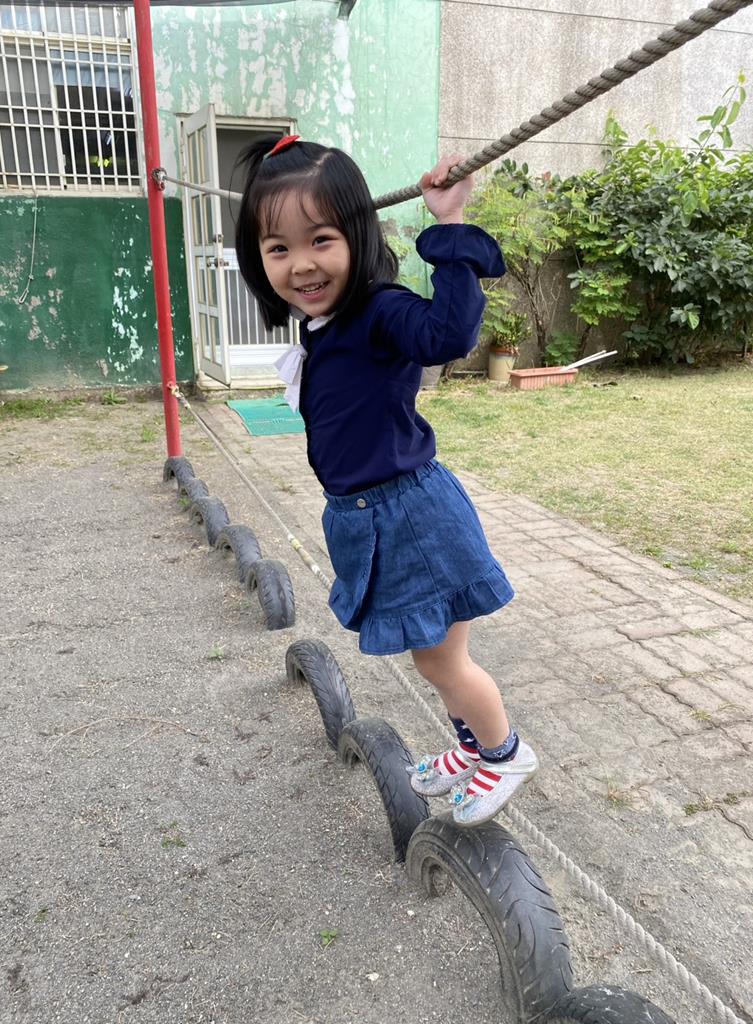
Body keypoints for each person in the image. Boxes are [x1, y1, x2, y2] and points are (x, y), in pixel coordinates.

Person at [235, 135, 537, 826]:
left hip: (411, 517)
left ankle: (505, 753)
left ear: (357, 235)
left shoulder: (378, 310)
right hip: (370, 514)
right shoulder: (323, 323)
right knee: (435, 660)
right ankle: (472, 748)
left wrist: (450, 223)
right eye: (278, 248)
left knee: (446, 662)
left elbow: (447, 336)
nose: (301, 264)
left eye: (320, 240)